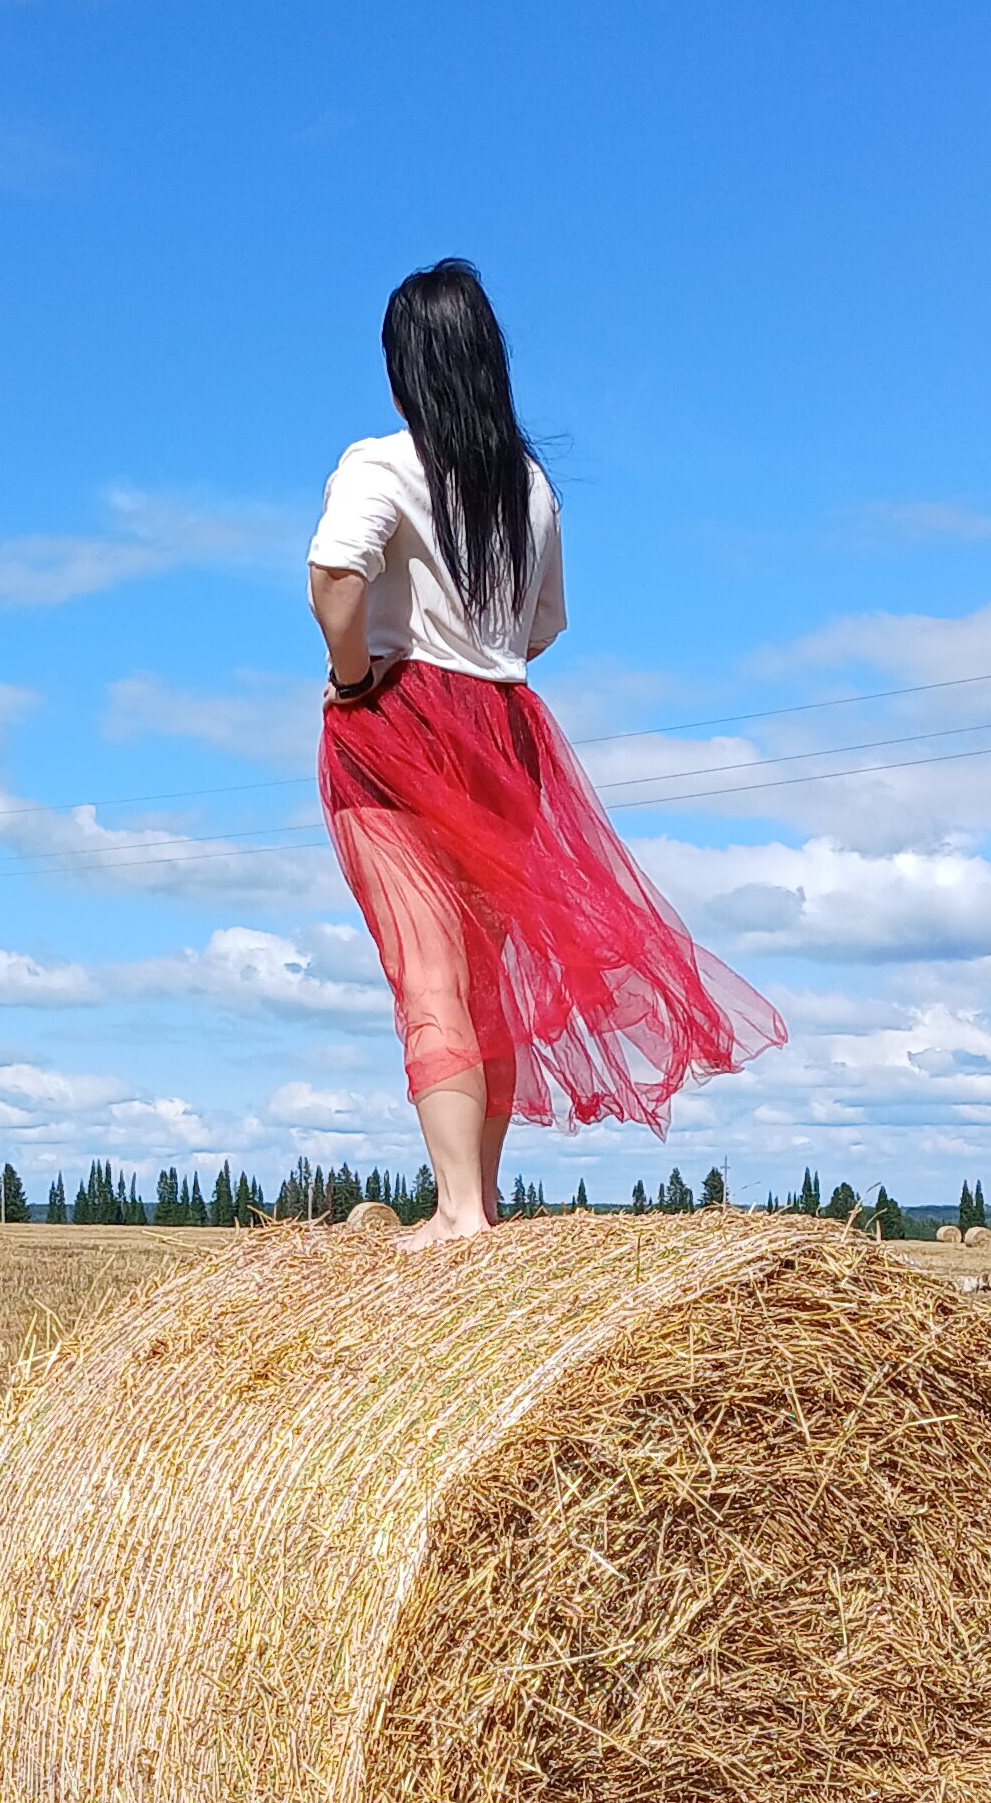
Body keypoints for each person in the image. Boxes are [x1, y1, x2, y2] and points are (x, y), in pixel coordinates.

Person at [308, 258, 784, 1244]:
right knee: (486, 980)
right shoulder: (530, 489)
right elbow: (546, 629)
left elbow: (333, 580)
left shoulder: (377, 463)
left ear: (406, 370)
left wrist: (357, 680)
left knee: (427, 972)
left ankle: (452, 1218)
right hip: (505, 733)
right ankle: (476, 1201)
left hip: (399, 726)